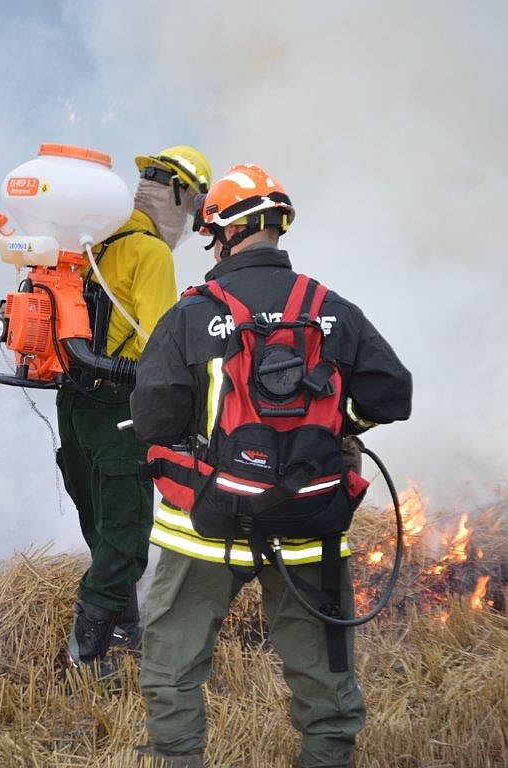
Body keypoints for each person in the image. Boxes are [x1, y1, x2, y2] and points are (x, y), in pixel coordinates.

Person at [130, 163, 412, 768]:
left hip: (206, 525)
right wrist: (339, 426)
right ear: (277, 226)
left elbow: (153, 420)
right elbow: (394, 395)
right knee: (324, 678)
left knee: (173, 668)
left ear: (221, 232)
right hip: (312, 520)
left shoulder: (192, 314)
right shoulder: (329, 307)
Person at [56, 145, 211, 672]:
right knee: (124, 538)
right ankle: (84, 659)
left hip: (71, 404)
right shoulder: (150, 254)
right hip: (117, 409)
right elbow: (160, 353)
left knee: (101, 526)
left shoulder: (90, 237)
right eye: (191, 207)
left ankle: (124, 629)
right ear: (178, 196)